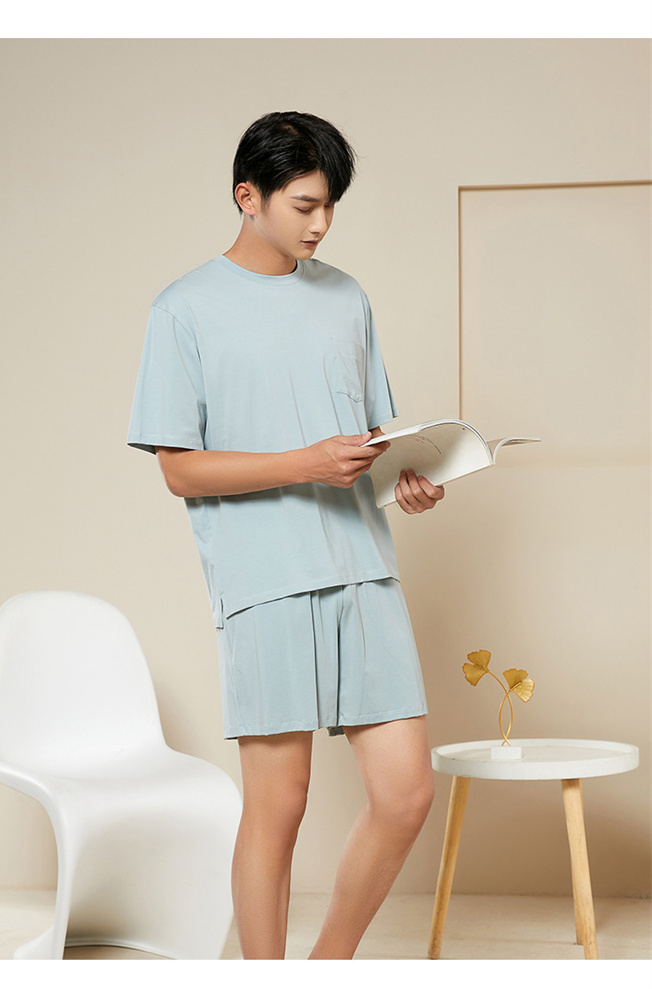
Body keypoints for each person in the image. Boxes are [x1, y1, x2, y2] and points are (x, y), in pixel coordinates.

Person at [127, 110, 445, 960]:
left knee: (406, 793)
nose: (321, 223)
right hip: (263, 579)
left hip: (363, 567)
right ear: (249, 196)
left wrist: (407, 480)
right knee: (280, 805)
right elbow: (179, 469)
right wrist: (306, 461)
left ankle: (325, 966)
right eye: (305, 204)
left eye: (330, 205)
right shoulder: (183, 309)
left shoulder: (347, 298)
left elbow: (368, 445)